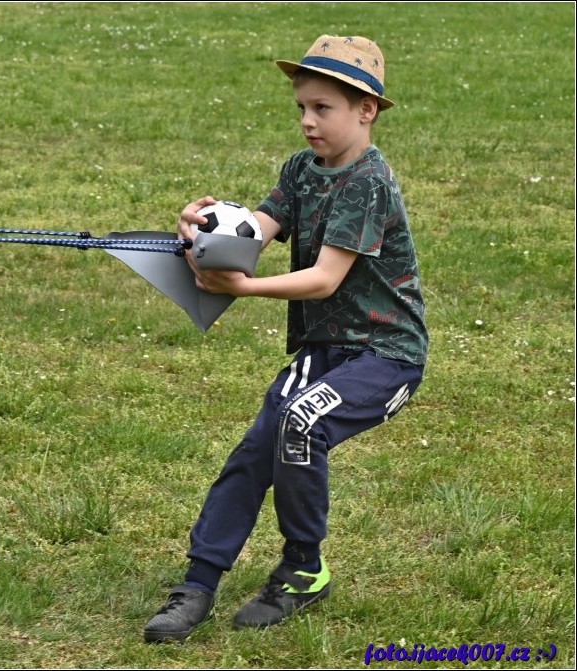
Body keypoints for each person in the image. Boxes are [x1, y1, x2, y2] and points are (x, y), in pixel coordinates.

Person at [143, 34, 428, 642]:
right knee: (257, 447)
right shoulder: (303, 171)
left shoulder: (367, 182)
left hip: (385, 354)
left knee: (303, 423)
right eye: (301, 107)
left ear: (366, 110)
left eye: (322, 108)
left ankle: (303, 568)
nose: (306, 121)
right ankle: (197, 583)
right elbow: (253, 234)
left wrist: (242, 289)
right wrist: (198, 234)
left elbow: (325, 279)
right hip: (323, 353)